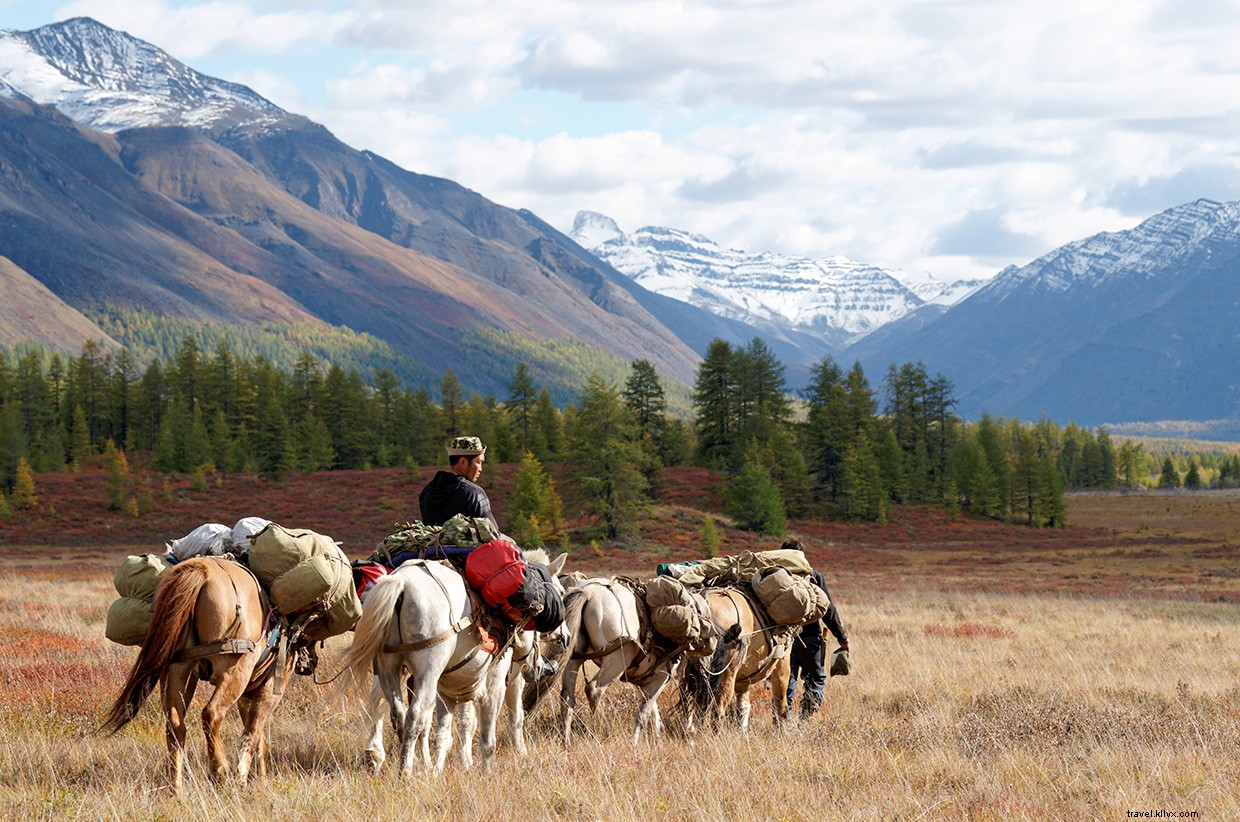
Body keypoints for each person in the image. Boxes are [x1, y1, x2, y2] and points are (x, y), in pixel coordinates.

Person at [782, 538, 849, 719]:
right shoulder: (814, 576)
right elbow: (828, 609)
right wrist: (841, 637)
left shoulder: (772, 578)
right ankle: (805, 720)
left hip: (781, 639)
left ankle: (782, 721)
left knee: (784, 680)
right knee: (816, 679)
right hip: (810, 638)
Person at [419, 436, 498, 528]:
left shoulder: (427, 491)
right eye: (478, 462)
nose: (481, 468)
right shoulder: (473, 493)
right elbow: (492, 532)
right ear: (463, 462)